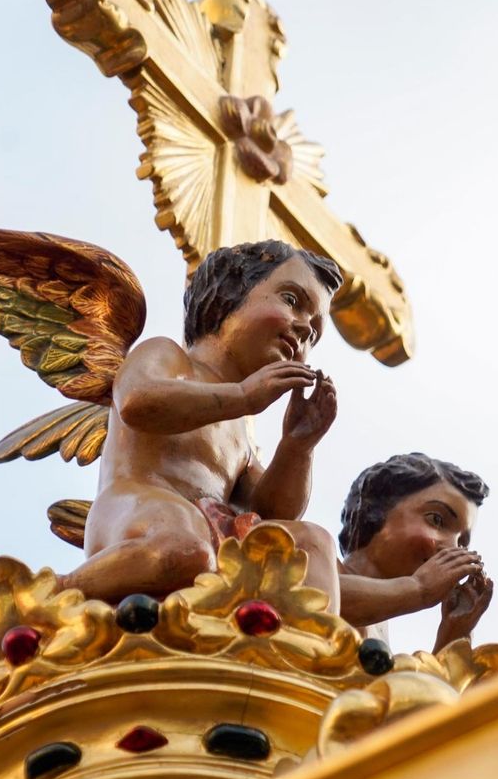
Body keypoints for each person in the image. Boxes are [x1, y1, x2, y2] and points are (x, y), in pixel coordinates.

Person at [59, 240, 344, 609]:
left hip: (215, 531)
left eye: (315, 333)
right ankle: (61, 591)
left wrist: (298, 446)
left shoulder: (240, 432)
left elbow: (274, 510)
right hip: (140, 507)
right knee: (183, 551)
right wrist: (242, 396)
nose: (305, 328)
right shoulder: (169, 358)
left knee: (311, 543)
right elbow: (137, 402)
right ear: (228, 295)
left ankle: (313, 646)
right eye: (291, 300)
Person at [334, 453, 495, 651]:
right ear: (375, 509)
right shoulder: (308, 550)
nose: (452, 548)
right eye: (437, 520)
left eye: (462, 542)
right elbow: (313, 597)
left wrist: (454, 634)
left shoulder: (382, 639)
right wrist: (418, 589)